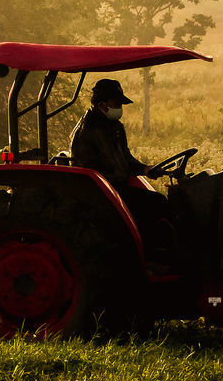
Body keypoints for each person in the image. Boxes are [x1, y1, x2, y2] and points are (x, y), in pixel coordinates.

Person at [70, 78, 174, 260]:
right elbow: (99, 167)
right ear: (102, 104)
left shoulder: (114, 127)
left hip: (116, 188)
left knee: (157, 201)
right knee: (156, 203)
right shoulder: (90, 130)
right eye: (116, 103)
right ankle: (152, 256)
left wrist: (146, 169)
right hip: (103, 194)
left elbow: (125, 158)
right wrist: (125, 176)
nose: (120, 108)